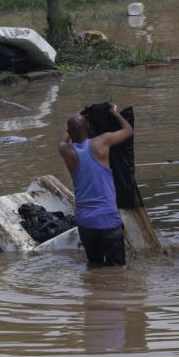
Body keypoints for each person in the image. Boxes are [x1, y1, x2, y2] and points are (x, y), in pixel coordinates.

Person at [58, 105, 133, 265]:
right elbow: (128, 131)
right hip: (108, 219)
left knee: (95, 266)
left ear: (70, 133)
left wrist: (76, 116)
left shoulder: (66, 150)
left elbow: (63, 139)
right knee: (117, 270)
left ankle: (95, 289)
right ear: (89, 127)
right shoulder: (102, 142)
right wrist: (115, 113)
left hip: (85, 222)